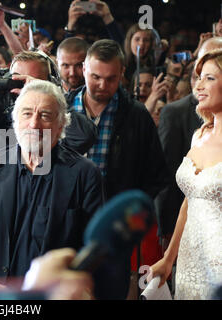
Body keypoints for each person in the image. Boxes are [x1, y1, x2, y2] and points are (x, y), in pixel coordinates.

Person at [0, 80, 126, 299]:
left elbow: (95, 248)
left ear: (61, 125)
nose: (34, 124)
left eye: (44, 115)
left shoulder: (85, 174)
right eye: (27, 114)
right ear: (16, 121)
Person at [68, 39, 170, 297]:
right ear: (83, 69)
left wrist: (128, 211)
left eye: (111, 79)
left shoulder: (136, 115)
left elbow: (156, 174)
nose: (102, 85)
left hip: (113, 228)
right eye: (95, 77)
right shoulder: (63, 109)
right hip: (66, 223)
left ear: (122, 74)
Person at [0, 50, 97, 193]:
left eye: (33, 84)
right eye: (19, 82)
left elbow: (85, 137)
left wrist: (49, 98)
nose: (28, 90)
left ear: (51, 84)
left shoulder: (52, 122)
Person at [151, 48, 222, 300]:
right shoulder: (199, 135)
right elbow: (190, 202)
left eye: (209, 78)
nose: (199, 85)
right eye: (198, 77)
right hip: (189, 264)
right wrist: (169, 259)